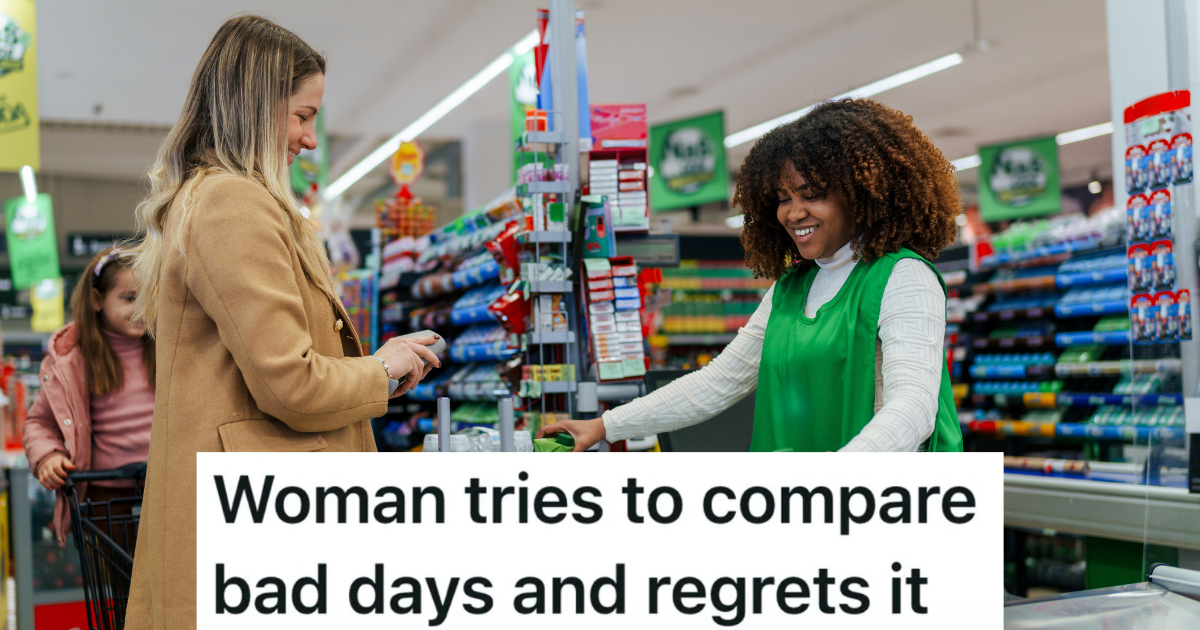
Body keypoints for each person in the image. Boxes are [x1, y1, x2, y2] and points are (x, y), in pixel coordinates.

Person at [124, 15, 440, 628]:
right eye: (302, 115)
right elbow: (290, 384)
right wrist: (380, 369)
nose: (310, 139)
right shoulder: (232, 203)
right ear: (254, 105)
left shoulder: (211, 197)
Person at [541, 98, 964, 453]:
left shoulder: (904, 277)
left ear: (863, 194)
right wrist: (605, 425)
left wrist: (838, 479)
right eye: (783, 198)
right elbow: (719, 382)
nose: (793, 213)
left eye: (812, 195)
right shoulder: (792, 288)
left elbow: (913, 407)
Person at [22, 247, 155, 545]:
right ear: (97, 300)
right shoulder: (72, 361)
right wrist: (48, 456)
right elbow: (39, 423)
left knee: (172, 571)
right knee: (118, 572)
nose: (142, 309)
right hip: (104, 493)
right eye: (130, 298)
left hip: (168, 485)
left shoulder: (170, 348)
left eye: (150, 297)